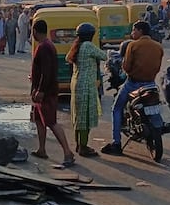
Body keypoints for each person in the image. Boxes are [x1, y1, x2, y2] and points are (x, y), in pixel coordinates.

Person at [102, 21, 164, 155]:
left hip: (133, 84)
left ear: (140, 31)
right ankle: (159, 125)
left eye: (134, 30)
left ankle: (116, 143)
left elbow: (126, 67)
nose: (132, 33)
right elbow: (158, 66)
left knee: (116, 108)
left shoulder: (133, 45)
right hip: (151, 83)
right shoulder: (158, 46)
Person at [30, 19, 75, 166]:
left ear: (35, 31)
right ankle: (42, 149)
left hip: (46, 92)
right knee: (38, 120)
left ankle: (68, 153)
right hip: (40, 90)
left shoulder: (44, 47)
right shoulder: (46, 46)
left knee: (51, 122)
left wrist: (41, 90)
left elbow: (47, 72)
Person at [66, 22, 107, 157]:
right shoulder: (88, 46)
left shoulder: (77, 46)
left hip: (76, 83)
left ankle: (79, 145)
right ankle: (83, 147)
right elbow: (104, 56)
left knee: (79, 117)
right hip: (86, 85)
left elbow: (68, 58)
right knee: (86, 118)